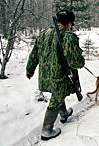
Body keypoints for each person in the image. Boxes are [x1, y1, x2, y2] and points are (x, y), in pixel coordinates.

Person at [26, 10, 85, 140]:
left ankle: (63, 114)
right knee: (56, 98)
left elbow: (34, 55)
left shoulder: (43, 35)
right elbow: (75, 62)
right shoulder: (68, 36)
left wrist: (29, 70)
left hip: (46, 75)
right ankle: (46, 130)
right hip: (60, 76)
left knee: (58, 94)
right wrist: (81, 61)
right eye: (71, 24)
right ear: (69, 23)